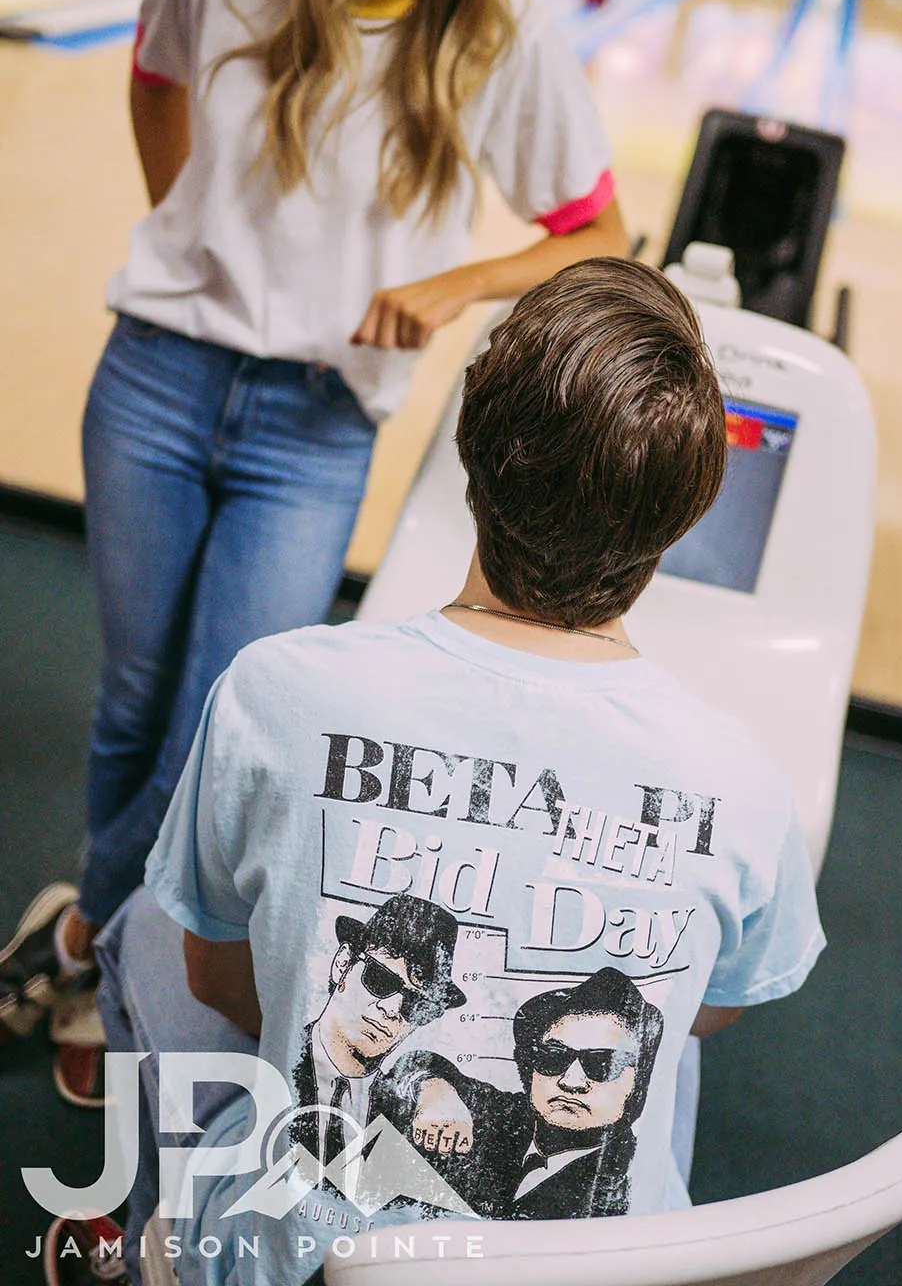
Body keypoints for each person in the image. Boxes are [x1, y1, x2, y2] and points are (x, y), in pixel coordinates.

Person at [0, 0, 627, 1096]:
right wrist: (187, 231)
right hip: (158, 379)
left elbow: (601, 236)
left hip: (312, 428)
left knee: (209, 729)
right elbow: (155, 81)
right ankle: (100, 951)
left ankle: (96, 963)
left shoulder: (496, 33)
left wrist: (454, 284)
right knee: (127, 707)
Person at [83, 256, 825, 1286]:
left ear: (469, 442)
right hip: (614, 1269)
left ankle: (155, 1236)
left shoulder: (275, 687)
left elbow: (222, 981)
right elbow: (717, 1009)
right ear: (684, 514)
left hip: (300, 1256)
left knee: (148, 923)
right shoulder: (743, 779)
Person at [384, 966, 664, 1218]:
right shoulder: (508, 1116)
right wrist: (436, 1093)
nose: (572, 1080)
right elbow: (419, 1063)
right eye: (553, 1056)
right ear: (528, 1066)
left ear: (638, 1081)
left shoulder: (627, 1179)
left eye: (603, 1063)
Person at [290, 896, 466, 1170]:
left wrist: (439, 1087)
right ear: (342, 964)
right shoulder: (281, 1061)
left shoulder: (408, 1113)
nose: (392, 1009)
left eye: (416, 1004)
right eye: (380, 979)